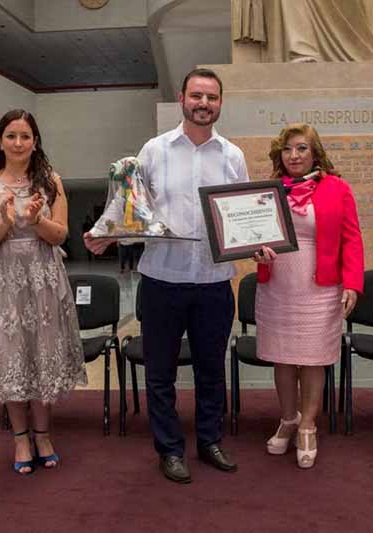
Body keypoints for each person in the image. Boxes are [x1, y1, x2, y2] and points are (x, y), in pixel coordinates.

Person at [85, 68, 248, 484]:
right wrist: (106, 233)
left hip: (214, 282)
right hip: (162, 281)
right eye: (197, 95)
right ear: (182, 99)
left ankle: (210, 441)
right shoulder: (154, 151)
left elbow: (243, 214)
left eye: (212, 97)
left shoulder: (232, 156)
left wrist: (257, 242)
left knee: (211, 370)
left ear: (220, 103)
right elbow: (131, 206)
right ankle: (170, 449)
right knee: (160, 373)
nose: (204, 104)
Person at [0, 109, 87, 475]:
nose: (18, 143)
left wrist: (36, 220)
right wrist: (5, 222)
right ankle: (20, 437)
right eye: (11, 136)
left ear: (35, 142)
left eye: (25, 136)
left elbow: (60, 236)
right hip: (3, 282)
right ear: (0, 141)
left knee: (41, 354)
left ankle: (43, 434)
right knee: (12, 357)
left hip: (43, 280)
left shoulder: (51, 181)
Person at [253, 123, 363, 468]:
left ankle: (308, 426)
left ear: (315, 152)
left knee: (313, 359)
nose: (294, 155)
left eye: (301, 148)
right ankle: (288, 419)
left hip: (320, 287)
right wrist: (256, 251)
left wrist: (353, 284)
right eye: (287, 149)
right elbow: (254, 234)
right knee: (283, 357)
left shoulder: (337, 188)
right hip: (277, 285)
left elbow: (352, 239)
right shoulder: (268, 190)